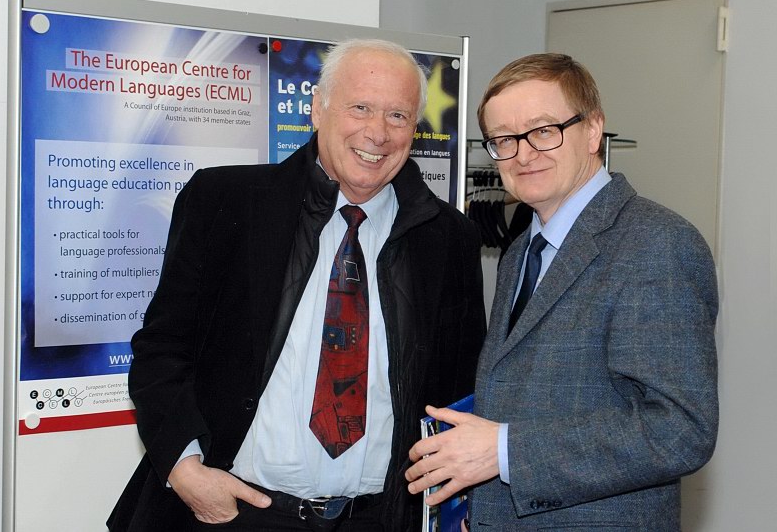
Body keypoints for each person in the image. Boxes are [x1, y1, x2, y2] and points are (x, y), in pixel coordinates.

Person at [107, 39, 486, 532]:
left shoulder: (449, 238)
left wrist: (456, 508)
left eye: (397, 115)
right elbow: (162, 349)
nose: (377, 132)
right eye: (360, 107)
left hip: (378, 518)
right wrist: (185, 470)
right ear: (317, 109)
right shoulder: (224, 202)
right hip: (237, 515)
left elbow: (460, 387)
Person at [405, 53, 718, 531]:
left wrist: (503, 451)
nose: (523, 154)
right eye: (503, 139)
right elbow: (515, 398)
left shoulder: (658, 243)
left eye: (543, 130)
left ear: (592, 131)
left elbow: (678, 429)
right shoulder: (521, 251)